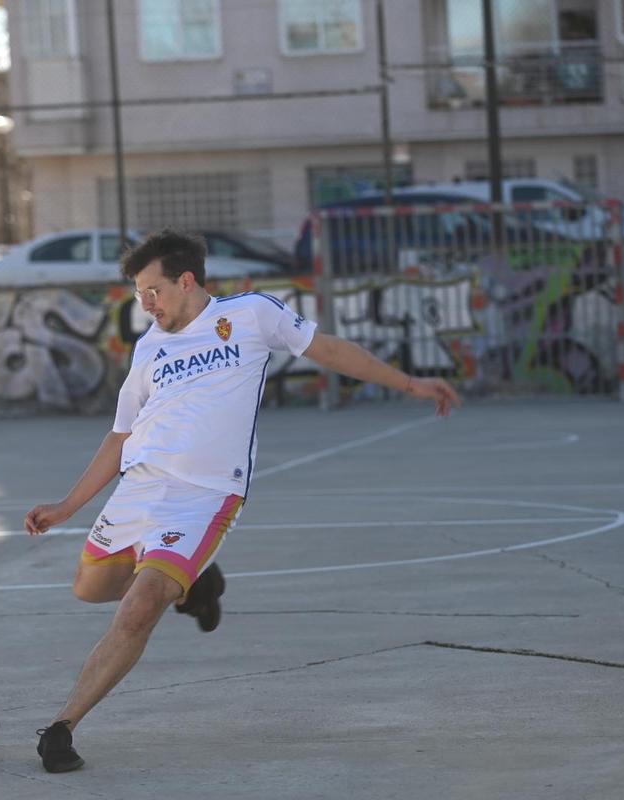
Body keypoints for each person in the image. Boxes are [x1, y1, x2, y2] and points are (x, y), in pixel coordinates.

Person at [24, 229, 460, 773]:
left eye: (152, 290)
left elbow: (326, 348)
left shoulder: (251, 315)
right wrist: (68, 506)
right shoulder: (150, 347)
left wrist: (407, 383)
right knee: (91, 589)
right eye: (139, 294)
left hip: (203, 497)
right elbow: (120, 435)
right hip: (138, 489)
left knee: (139, 607)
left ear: (186, 280)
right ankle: (194, 582)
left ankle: (62, 728)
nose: (146, 304)